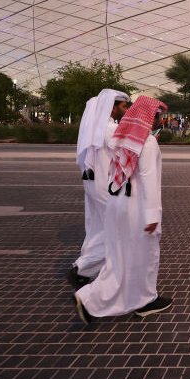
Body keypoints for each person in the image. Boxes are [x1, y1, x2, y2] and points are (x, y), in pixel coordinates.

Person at [74, 96, 172, 324]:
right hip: (136, 207)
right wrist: (152, 216)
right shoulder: (147, 143)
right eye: (159, 116)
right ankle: (95, 299)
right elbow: (148, 179)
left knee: (120, 259)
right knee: (144, 256)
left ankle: (131, 299)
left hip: (117, 203)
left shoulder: (121, 138)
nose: (160, 121)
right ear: (151, 117)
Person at [67, 89, 131, 290]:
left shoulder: (97, 128)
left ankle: (85, 267)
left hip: (95, 185)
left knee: (99, 228)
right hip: (106, 186)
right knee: (118, 229)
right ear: (112, 107)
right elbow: (131, 148)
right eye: (123, 106)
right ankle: (84, 269)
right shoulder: (109, 129)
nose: (126, 109)